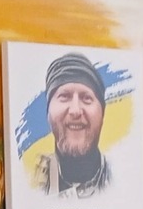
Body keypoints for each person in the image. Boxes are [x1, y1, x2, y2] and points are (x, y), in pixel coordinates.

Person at [30, 52, 111, 196]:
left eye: (86, 98)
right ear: (48, 112)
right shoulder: (31, 181)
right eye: (64, 96)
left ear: (102, 113)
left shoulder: (122, 178)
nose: (75, 111)